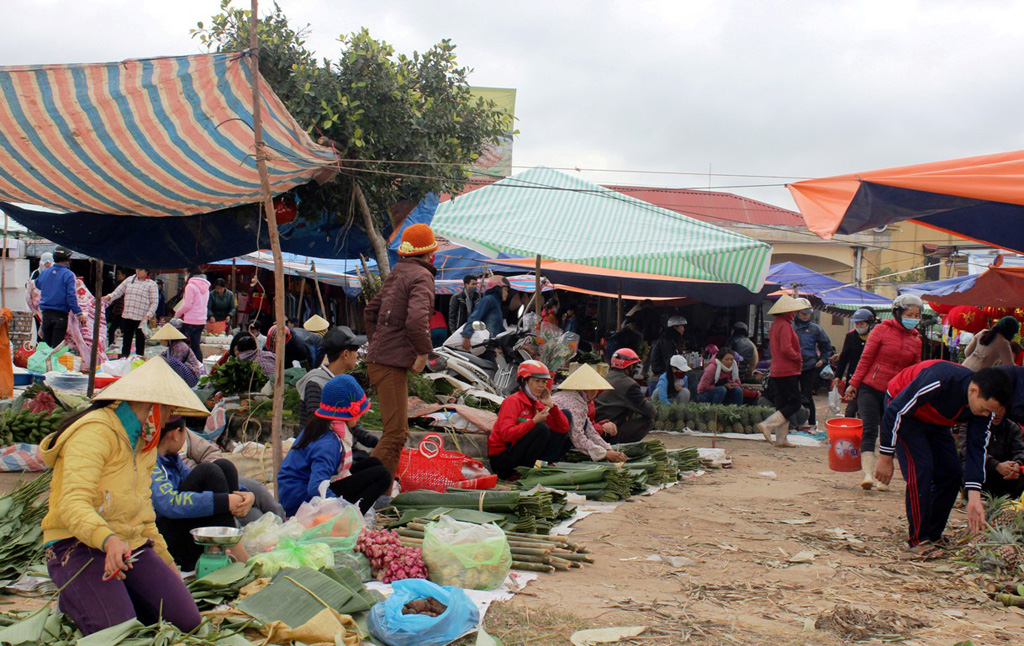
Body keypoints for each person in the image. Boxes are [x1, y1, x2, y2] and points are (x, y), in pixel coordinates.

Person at [38, 356, 208, 635]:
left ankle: (114, 596)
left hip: (128, 543)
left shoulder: (144, 443)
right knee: (118, 631)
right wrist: (108, 539)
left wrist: (168, 564)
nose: (168, 420)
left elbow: (144, 512)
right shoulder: (95, 432)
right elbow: (73, 502)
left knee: (186, 620)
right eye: (167, 411)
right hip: (76, 542)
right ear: (152, 407)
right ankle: (78, 600)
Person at [874, 362, 1012, 551]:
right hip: (905, 412)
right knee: (922, 468)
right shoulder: (941, 379)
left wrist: (974, 497)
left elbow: (976, 447)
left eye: (991, 411)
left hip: (935, 421)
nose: (986, 414)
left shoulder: (983, 411)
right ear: (973, 391)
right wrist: (886, 455)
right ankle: (918, 540)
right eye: (984, 408)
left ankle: (933, 534)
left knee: (952, 472)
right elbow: (895, 411)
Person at [364, 223, 437, 476]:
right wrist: (423, 352)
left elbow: (370, 312)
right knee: (395, 434)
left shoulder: (397, 273)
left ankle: (381, 489)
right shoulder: (422, 275)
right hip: (390, 363)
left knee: (399, 432)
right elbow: (417, 320)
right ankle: (363, 487)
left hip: (383, 360)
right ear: (430, 254)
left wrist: (378, 344)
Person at [277, 374, 393, 515]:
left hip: (299, 490)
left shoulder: (320, 425)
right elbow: (316, 488)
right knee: (382, 476)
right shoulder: (328, 443)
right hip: (300, 501)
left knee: (374, 463)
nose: (360, 416)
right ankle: (352, 517)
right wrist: (339, 510)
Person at [151, 417, 253, 570]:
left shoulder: (172, 459)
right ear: (175, 434)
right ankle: (231, 547)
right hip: (168, 540)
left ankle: (222, 545)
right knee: (208, 471)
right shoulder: (151, 463)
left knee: (224, 467)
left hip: (185, 529)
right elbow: (169, 504)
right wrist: (224, 501)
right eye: (185, 432)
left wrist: (245, 496)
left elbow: (196, 479)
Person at [845, 294, 924, 491]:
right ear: (897, 313)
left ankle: (883, 478)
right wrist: (853, 384)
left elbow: (914, 371)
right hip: (870, 388)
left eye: (916, 315)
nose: (913, 318)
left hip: (895, 393)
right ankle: (868, 474)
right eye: (910, 314)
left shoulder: (916, 340)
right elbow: (865, 359)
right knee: (870, 428)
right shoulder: (881, 330)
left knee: (890, 433)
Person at [178, 428, 285, 522]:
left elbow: (209, 452)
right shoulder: (164, 459)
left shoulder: (181, 431)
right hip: (200, 493)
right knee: (254, 516)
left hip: (215, 476)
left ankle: (284, 526)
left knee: (258, 489)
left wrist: (215, 473)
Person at [489, 361, 571, 479]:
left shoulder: (537, 404)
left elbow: (563, 428)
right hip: (503, 459)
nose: (541, 385)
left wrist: (551, 406)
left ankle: (539, 465)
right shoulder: (512, 401)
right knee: (541, 428)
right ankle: (520, 472)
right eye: (536, 381)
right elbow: (507, 435)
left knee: (563, 416)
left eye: (543, 382)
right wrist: (533, 422)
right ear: (525, 381)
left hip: (518, 454)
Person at [296, 326, 370, 429]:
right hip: (318, 443)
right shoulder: (315, 384)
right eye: (356, 351)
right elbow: (318, 425)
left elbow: (352, 425)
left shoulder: (342, 382)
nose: (357, 355)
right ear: (346, 354)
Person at [552, 364, 627, 463]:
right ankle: (552, 460)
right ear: (589, 389)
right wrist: (604, 453)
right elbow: (577, 438)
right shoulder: (573, 403)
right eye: (596, 389)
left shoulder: (579, 400)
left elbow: (590, 431)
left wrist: (607, 448)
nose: (597, 392)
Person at [757, 295, 804, 447]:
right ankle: (768, 425)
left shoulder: (776, 324)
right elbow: (786, 348)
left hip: (777, 369)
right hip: (787, 370)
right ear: (788, 312)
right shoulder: (784, 325)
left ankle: (781, 439)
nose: (795, 313)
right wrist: (798, 357)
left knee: (782, 403)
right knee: (795, 403)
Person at [595, 348, 658, 442]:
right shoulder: (630, 385)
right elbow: (650, 411)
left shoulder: (606, 377)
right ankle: (619, 444)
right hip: (609, 433)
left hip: (598, 427)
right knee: (648, 421)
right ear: (630, 367)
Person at [959, 417, 1024, 499]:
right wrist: (995, 465)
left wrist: (1017, 464)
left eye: (999, 410)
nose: (996, 415)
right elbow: (967, 449)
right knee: (968, 465)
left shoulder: (1012, 427)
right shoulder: (970, 425)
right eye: (993, 410)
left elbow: (1019, 450)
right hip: (983, 468)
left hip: (1006, 472)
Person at [35, 247, 86, 348]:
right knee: (56, 348)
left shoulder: (45, 272)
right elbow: (71, 296)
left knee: (46, 346)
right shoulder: (68, 275)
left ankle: (45, 364)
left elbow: (38, 285)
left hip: (46, 314)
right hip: (60, 315)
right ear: (67, 260)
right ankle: (54, 363)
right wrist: (79, 313)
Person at [103, 268, 159, 359]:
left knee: (140, 343)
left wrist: (147, 316)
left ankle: (139, 361)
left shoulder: (152, 285)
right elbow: (118, 292)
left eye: (141, 270)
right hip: (128, 315)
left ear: (147, 271)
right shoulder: (130, 280)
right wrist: (109, 297)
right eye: (137, 269)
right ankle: (124, 359)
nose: (138, 271)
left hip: (141, 319)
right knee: (126, 341)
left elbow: (154, 303)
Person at [793, 303, 833, 430]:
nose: (806, 316)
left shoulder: (815, 329)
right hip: (793, 365)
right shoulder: (790, 327)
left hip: (810, 365)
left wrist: (823, 359)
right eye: (803, 314)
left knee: (807, 395)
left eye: (808, 314)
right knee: (792, 394)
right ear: (797, 314)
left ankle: (812, 423)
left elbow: (827, 346)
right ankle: (794, 423)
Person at [833, 308, 875, 418]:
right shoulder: (851, 336)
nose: (859, 326)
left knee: (864, 410)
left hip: (869, 379)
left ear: (869, 324)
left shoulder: (875, 337)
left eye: (862, 323)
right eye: (857, 324)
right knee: (851, 409)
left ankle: (862, 433)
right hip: (853, 377)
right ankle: (848, 431)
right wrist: (838, 375)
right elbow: (844, 357)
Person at [461, 275, 510, 358]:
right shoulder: (488, 300)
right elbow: (475, 317)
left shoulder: (497, 304)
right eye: (505, 290)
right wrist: (467, 336)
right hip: (484, 346)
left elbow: (499, 328)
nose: (507, 293)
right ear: (497, 289)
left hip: (491, 346)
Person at [646, 315, 687, 396]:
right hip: (660, 374)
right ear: (675, 327)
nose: (683, 329)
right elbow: (668, 360)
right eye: (682, 326)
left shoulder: (670, 339)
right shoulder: (666, 340)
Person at [175, 267, 210, 360]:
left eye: (185, 273)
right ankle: (199, 366)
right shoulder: (206, 287)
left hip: (190, 320)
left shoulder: (190, 286)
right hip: (201, 320)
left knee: (180, 343)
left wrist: (177, 313)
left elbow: (187, 304)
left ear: (189, 273)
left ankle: (180, 363)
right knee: (195, 345)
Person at [153, 323, 203, 387]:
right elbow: (161, 357)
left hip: (192, 378)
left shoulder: (180, 346)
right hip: (184, 374)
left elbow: (174, 364)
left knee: (172, 362)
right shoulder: (171, 347)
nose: (161, 341)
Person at [105, 268, 129, 348]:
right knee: (116, 330)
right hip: (119, 311)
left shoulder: (124, 286)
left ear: (124, 275)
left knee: (113, 329)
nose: (117, 276)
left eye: (119, 274)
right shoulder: (120, 285)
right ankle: (112, 346)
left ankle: (112, 346)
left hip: (122, 311)